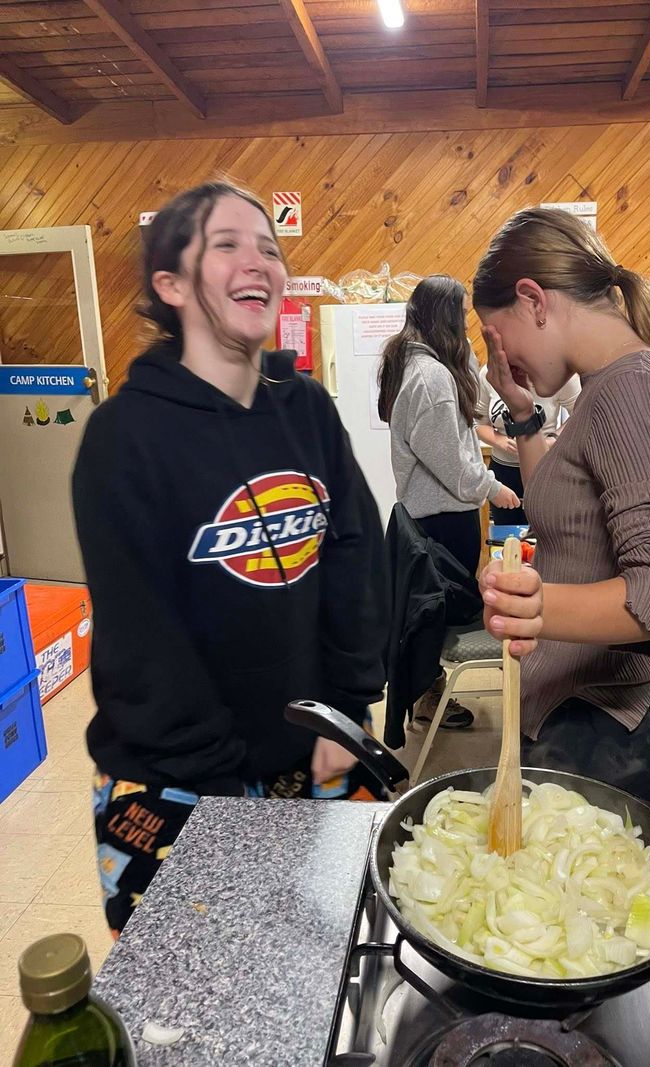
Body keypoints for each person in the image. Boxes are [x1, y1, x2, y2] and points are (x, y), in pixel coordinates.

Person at [72, 181, 388, 936]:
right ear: (172, 284)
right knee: (201, 991)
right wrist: (222, 792)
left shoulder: (306, 407)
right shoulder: (122, 437)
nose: (259, 262)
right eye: (227, 245)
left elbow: (356, 553)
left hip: (317, 751)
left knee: (338, 962)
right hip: (175, 781)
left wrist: (344, 709)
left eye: (269, 248)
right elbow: (142, 641)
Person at [472, 208, 650, 807]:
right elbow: (565, 507)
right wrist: (523, 414)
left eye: (494, 334)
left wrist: (534, 607)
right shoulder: (605, 384)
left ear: (533, 300)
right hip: (578, 716)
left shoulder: (632, 390)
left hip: (598, 733)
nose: (496, 357)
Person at [377, 274, 519, 729]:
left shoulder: (413, 363)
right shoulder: (432, 377)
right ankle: (429, 699)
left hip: (428, 515)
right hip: (443, 518)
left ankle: (428, 694)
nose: (465, 324)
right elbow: (453, 465)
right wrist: (493, 488)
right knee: (439, 618)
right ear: (445, 318)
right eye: (460, 315)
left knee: (429, 617)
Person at [475, 363, 581, 526]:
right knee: (506, 534)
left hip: (544, 467)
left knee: (545, 529)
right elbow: (478, 422)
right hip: (504, 472)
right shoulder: (489, 373)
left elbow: (581, 412)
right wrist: (500, 441)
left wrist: (551, 440)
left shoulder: (559, 372)